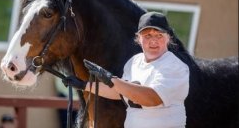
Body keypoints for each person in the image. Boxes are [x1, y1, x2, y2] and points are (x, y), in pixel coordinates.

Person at [62, 12, 190, 128]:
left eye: (159, 35)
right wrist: (84, 85)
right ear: (139, 38)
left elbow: (152, 99)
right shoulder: (134, 62)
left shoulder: (175, 66)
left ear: (168, 38)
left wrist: (111, 79)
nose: (153, 41)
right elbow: (120, 91)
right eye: (148, 35)